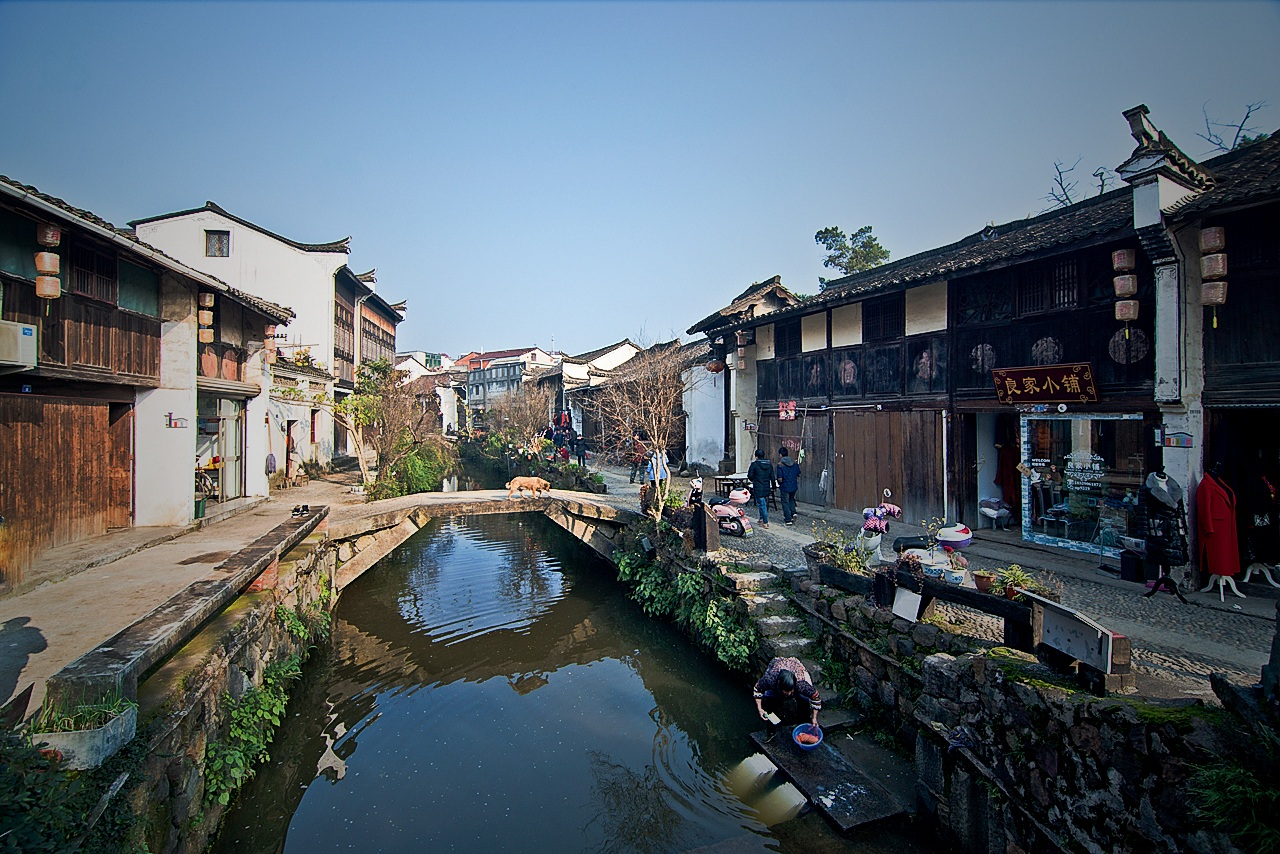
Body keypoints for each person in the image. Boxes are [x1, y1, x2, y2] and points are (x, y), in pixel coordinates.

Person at [753, 656, 821, 740]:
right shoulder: (770, 680)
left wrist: (814, 718)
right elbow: (757, 689)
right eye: (786, 691)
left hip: (796, 667)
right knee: (771, 704)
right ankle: (771, 732)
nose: (789, 694)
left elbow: (815, 697)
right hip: (777, 664)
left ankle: (802, 723)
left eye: (790, 691)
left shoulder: (802, 684)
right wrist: (760, 708)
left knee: (804, 702)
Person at [747, 449, 775, 528]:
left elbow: (750, 476)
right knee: (763, 503)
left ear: (756, 456)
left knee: (762, 505)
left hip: (758, 486)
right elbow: (772, 476)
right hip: (766, 486)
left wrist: (754, 480)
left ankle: (765, 522)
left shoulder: (754, 464)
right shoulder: (769, 464)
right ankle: (761, 519)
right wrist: (773, 486)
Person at [776, 446, 800, 526]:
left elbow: (780, 479)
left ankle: (788, 519)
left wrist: (779, 483)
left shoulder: (780, 465)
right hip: (794, 485)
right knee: (791, 499)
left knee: (785, 502)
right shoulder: (794, 463)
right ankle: (793, 513)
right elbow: (798, 473)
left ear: (780, 455)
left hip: (785, 486)